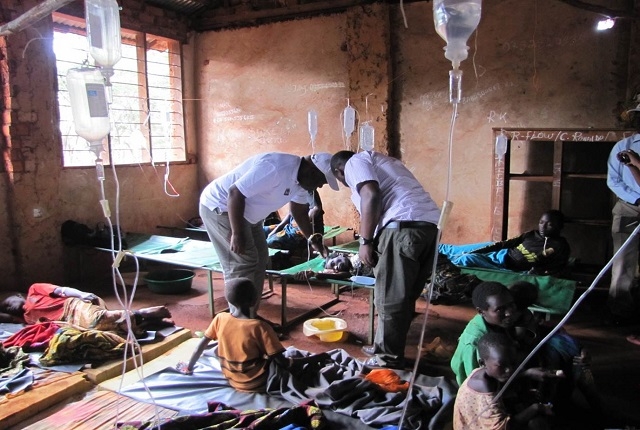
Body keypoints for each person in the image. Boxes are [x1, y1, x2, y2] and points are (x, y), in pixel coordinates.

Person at [330, 150, 440, 368]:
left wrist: (366, 241)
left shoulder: (355, 162)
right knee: (405, 295)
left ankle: (386, 358)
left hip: (401, 228)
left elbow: (371, 195)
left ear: (338, 171)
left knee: (390, 298)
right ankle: (385, 347)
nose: (346, 184)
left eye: (341, 180)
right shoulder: (385, 162)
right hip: (429, 228)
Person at [199, 152, 339, 318]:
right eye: (320, 181)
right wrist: (237, 233)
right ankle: (239, 321)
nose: (320, 187)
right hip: (221, 208)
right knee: (243, 262)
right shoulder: (276, 168)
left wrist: (315, 242)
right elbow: (235, 193)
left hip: (250, 216)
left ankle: (250, 314)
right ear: (312, 171)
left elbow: (299, 212)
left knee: (262, 259)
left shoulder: (302, 182)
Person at [176, 277, 329, 392]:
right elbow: (283, 363)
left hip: (232, 378)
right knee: (297, 363)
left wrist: (188, 367)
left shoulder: (220, 318)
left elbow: (199, 347)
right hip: (256, 382)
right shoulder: (260, 327)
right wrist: (314, 359)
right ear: (253, 301)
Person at [453, 332, 554, 430]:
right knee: (537, 423)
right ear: (482, 363)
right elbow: (504, 427)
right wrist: (536, 408)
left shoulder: (484, 373)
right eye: (501, 365)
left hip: (486, 422)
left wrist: (527, 374)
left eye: (513, 363)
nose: (509, 370)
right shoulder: (485, 388)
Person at [0, 283, 173, 335]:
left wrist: (81, 294)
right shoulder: (27, 319)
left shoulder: (34, 290)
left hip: (74, 306)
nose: (10, 304)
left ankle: (142, 313)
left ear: (18, 295)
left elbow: (62, 290)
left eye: (10, 300)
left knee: (98, 320)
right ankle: (153, 322)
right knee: (102, 332)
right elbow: (5, 317)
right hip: (69, 322)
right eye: (8, 306)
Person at [438, 210, 571, 276]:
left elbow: (557, 268)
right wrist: (484, 249)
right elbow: (508, 243)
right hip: (501, 252)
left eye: (549, 225)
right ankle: (430, 248)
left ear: (559, 227)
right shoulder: (531, 234)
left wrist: (536, 271)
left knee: (466, 258)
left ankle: (437, 266)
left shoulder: (559, 246)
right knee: (454, 250)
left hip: (505, 265)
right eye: (541, 222)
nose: (543, 227)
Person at [606, 104, 640, 333]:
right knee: (623, 263)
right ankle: (620, 312)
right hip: (630, 208)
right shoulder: (624, 146)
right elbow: (614, 181)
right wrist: (637, 200)